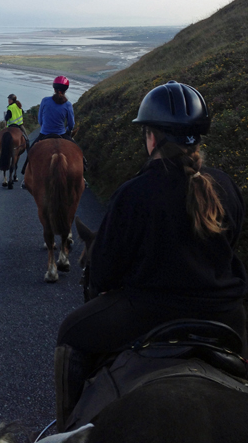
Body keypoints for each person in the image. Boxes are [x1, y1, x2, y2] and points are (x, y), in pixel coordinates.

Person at [57, 80, 247, 358]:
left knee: (70, 333)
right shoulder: (226, 185)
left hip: (149, 313)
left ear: (152, 137)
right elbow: (230, 245)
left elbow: (105, 271)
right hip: (227, 315)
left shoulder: (134, 192)